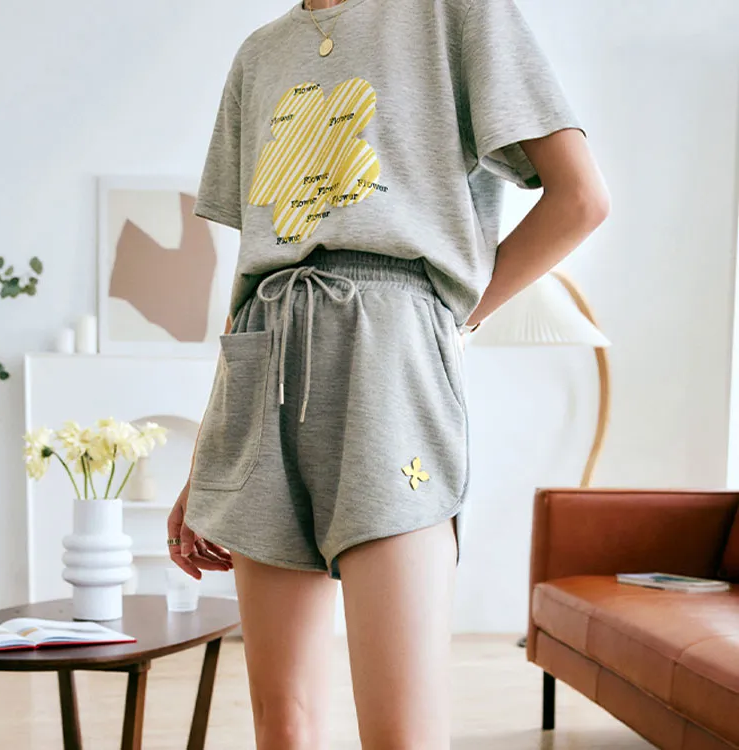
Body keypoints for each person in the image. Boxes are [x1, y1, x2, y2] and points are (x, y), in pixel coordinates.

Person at [167, 0, 609, 746]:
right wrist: (207, 460)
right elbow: (250, 282)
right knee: (283, 720)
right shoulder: (259, 53)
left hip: (390, 360)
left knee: (401, 729)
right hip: (263, 362)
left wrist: (448, 317)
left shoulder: (453, 12)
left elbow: (582, 199)